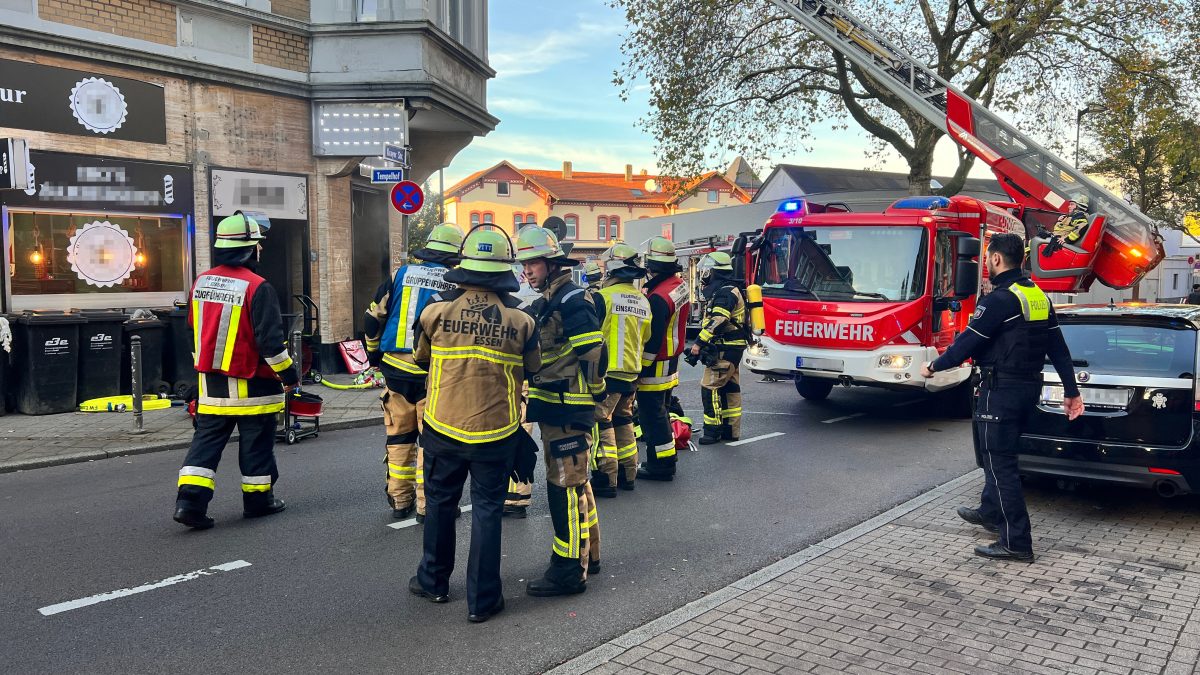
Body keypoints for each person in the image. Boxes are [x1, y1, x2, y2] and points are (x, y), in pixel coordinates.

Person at [921, 232, 1084, 562]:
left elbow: (967, 344)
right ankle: (990, 511)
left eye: (987, 257)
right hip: (1026, 389)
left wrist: (933, 367)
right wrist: (1072, 391)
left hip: (1001, 391)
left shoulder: (998, 300)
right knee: (996, 455)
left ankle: (1016, 541)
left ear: (996, 259)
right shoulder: (1037, 296)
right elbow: (1059, 349)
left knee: (1000, 464)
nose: (986, 262)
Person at [408, 227, 540, 623]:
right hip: (496, 432)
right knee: (487, 512)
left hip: (443, 426)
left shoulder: (434, 311)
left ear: (463, 264)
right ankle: (482, 601)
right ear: (505, 268)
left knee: (440, 506)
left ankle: (433, 582)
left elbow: (420, 358)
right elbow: (533, 367)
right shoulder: (522, 319)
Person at [173, 212, 299, 530]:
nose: (261, 249)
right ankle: (258, 502)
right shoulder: (258, 287)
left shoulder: (201, 282)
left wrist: (202, 369)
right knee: (256, 446)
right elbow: (271, 344)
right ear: (249, 249)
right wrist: (290, 376)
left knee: (205, 445)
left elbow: (191, 332)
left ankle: (189, 504)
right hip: (254, 388)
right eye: (258, 244)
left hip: (212, 388)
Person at [516, 224, 604, 596]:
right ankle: (589, 555)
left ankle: (568, 570)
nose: (527, 271)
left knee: (563, 487)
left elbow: (593, 354)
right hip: (556, 407)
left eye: (533, 264)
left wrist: (596, 397)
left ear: (552, 263)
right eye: (524, 265)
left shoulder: (572, 300)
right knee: (577, 483)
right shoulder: (548, 301)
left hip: (569, 409)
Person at [364, 224, 463, 520]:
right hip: (432, 374)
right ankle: (427, 506)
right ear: (454, 256)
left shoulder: (400, 275)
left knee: (398, 437)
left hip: (395, 369)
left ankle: (399, 500)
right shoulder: (456, 284)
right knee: (431, 442)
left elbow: (372, 319)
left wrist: (373, 354)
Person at [591, 243, 652, 497]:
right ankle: (629, 474)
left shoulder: (603, 297)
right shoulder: (643, 300)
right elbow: (646, 337)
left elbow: (591, 336)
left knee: (601, 421)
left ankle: (606, 478)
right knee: (623, 419)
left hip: (607, 374)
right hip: (631, 372)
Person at [636, 237, 690, 481]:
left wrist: (641, 367)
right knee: (661, 412)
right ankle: (667, 460)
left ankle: (660, 466)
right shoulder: (679, 286)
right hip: (671, 361)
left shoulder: (658, 298)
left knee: (652, 417)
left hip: (656, 364)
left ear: (651, 266)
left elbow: (652, 340)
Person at [689, 251, 748, 445]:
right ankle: (730, 430)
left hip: (725, 348)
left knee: (710, 387)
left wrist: (699, 343)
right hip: (733, 348)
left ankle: (712, 431)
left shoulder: (725, 292)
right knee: (730, 389)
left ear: (715, 272)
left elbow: (719, 319)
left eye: (708, 271)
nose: (705, 275)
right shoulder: (731, 289)